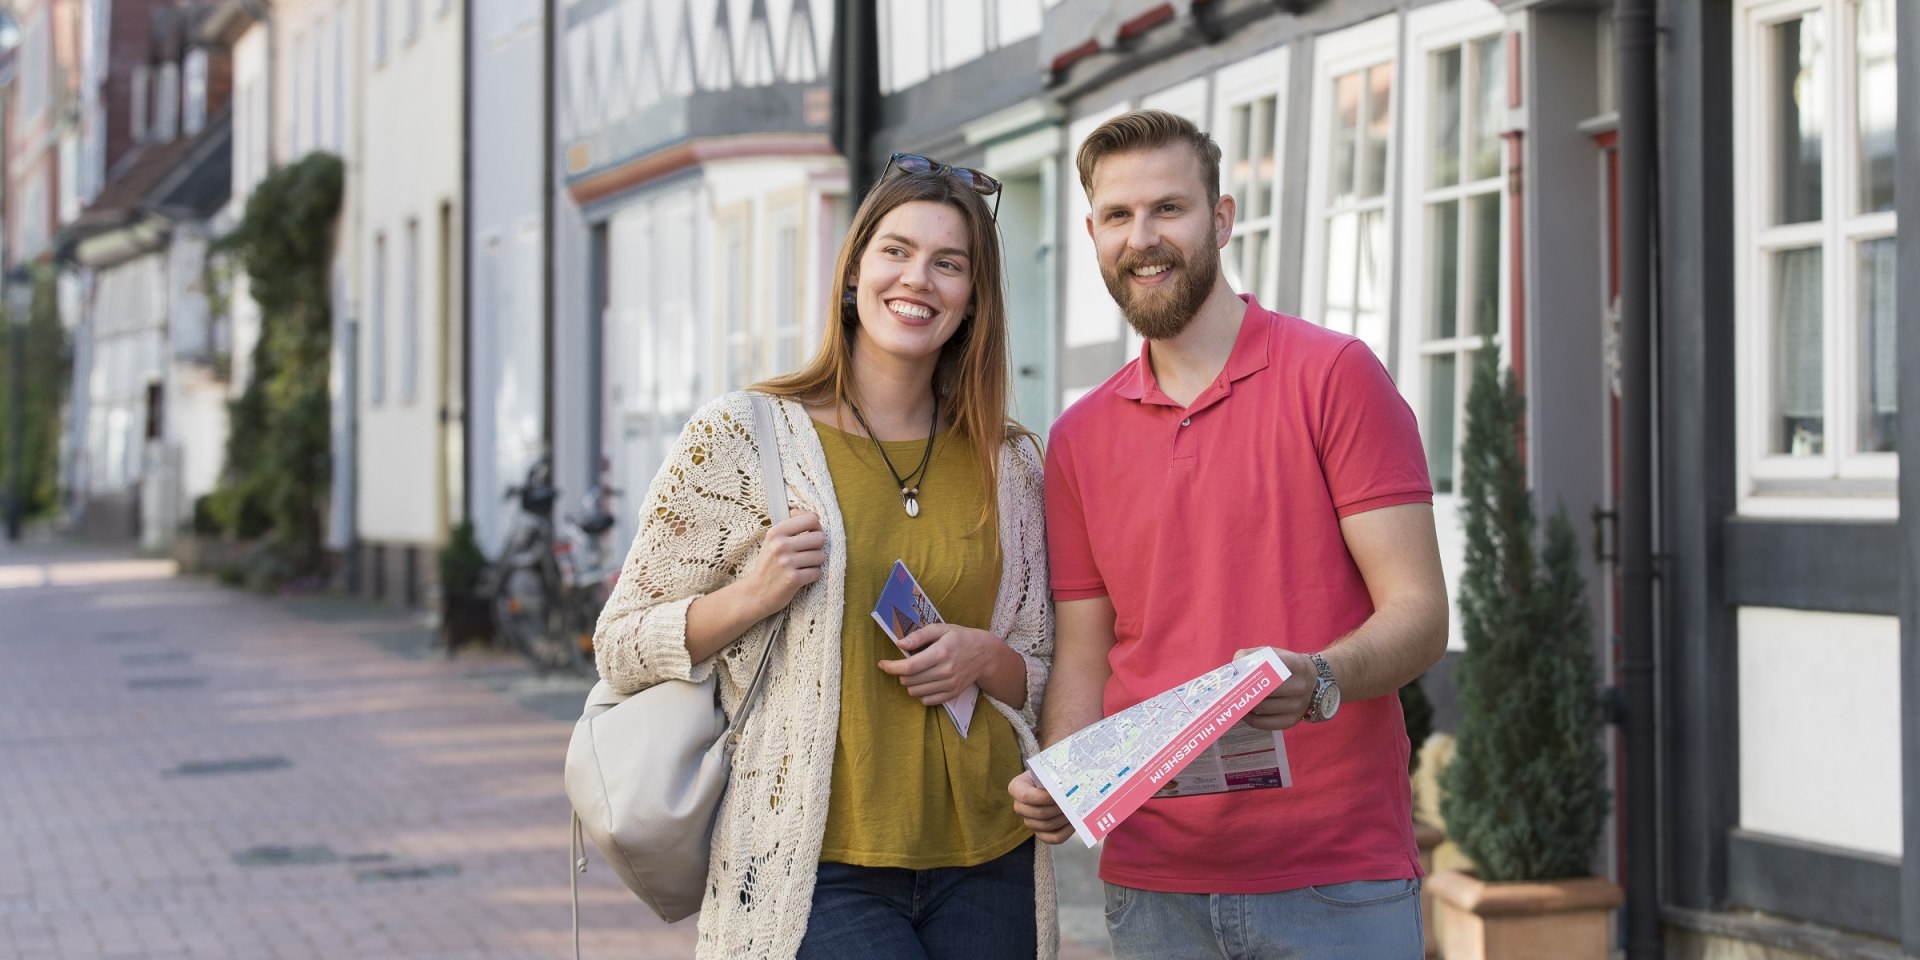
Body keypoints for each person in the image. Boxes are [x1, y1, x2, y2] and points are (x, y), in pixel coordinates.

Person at [1007, 108, 1449, 958]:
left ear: (1222, 218)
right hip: (1153, 887)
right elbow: (1085, 658)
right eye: (1117, 217)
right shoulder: (1078, 439)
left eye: (1168, 209)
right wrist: (1065, 772)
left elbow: (1421, 612)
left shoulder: (1334, 378)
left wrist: (1320, 676)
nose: (1144, 238)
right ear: (1094, 234)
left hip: (1333, 879)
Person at [593, 154, 1057, 960]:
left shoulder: (1011, 463)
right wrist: (750, 596)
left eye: (950, 264)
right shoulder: (744, 439)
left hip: (989, 855)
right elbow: (619, 644)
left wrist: (985, 656)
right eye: (897, 251)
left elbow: (1043, 663)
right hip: (814, 860)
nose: (919, 279)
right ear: (853, 274)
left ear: (974, 298)